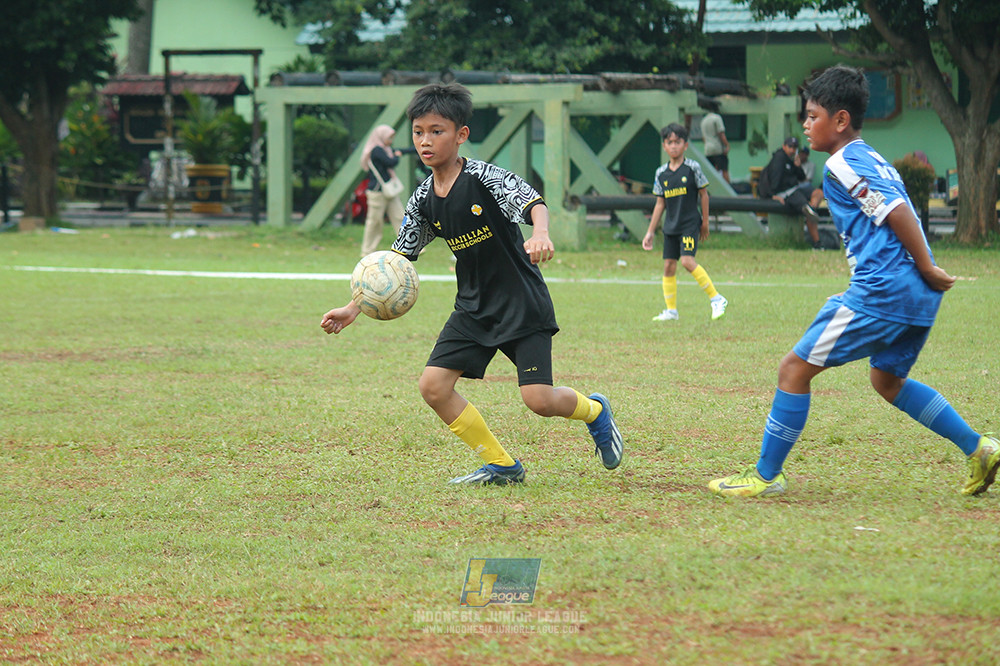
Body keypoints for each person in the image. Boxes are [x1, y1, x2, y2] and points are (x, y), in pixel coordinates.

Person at [709, 64, 999, 498]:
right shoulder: (870, 156)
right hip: (916, 297)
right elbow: (901, 206)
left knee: (792, 370)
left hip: (884, 289)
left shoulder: (841, 164)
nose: (805, 126)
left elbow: (897, 212)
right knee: (887, 381)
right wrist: (924, 272)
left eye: (812, 116)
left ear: (840, 120)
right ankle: (978, 447)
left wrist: (925, 266)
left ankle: (765, 476)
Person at [320, 83, 624, 485]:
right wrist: (355, 305)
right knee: (433, 387)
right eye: (418, 132)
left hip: (521, 302)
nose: (425, 141)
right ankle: (501, 464)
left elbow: (532, 201)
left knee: (539, 400)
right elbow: (396, 261)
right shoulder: (424, 197)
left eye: (436, 131)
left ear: (461, 134)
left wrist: (541, 232)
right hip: (473, 308)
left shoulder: (483, 177)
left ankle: (596, 411)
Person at [642, 123, 727, 322]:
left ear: (685, 145)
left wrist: (704, 222)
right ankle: (671, 311)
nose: (674, 146)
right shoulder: (661, 173)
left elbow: (704, 195)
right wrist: (650, 231)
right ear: (664, 146)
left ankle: (717, 299)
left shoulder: (692, 168)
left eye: (678, 142)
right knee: (669, 266)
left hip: (689, 223)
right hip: (671, 226)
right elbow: (660, 203)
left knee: (687, 261)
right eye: (669, 142)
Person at [759, 135, 823, 249]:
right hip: (786, 193)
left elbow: (802, 177)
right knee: (806, 209)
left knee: (818, 192)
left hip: (796, 188)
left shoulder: (792, 159)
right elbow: (773, 179)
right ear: (784, 146)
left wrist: (797, 166)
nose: (792, 150)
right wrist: (772, 195)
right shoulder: (779, 158)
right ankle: (817, 243)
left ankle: (812, 210)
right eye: (790, 147)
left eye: (794, 147)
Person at [359, 124, 406, 257]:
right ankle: (367, 251)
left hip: (388, 190)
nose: (390, 141)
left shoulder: (385, 149)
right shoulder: (377, 150)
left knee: (400, 217)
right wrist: (397, 156)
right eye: (389, 138)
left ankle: (410, 245)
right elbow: (390, 162)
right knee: (374, 221)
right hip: (377, 191)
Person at [699, 100, 730, 183]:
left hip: (708, 150)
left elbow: (704, 138)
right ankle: (728, 191)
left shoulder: (703, 120)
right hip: (717, 148)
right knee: (724, 170)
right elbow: (721, 134)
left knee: (711, 173)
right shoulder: (717, 118)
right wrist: (727, 145)